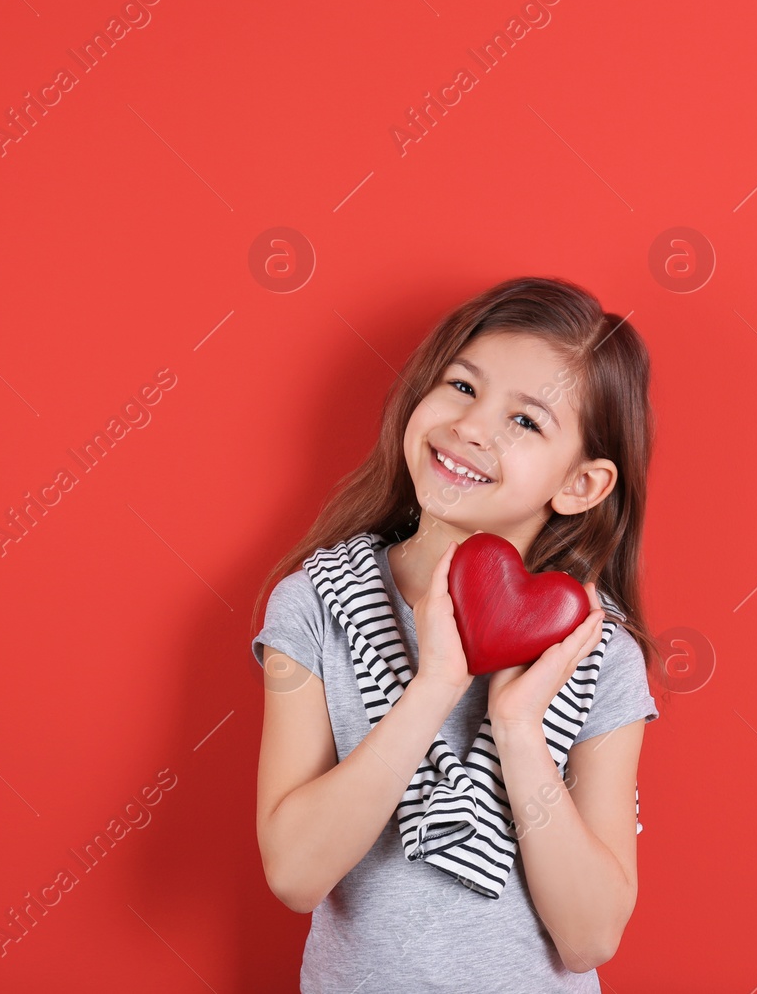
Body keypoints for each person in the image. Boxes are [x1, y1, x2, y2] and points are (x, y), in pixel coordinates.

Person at [251, 275, 660, 992]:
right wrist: (436, 684)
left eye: (526, 421)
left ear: (581, 485)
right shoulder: (315, 605)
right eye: (463, 387)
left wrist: (519, 725)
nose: (473, 426)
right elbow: (295, 872)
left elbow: (590, 935)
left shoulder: (599, 654)